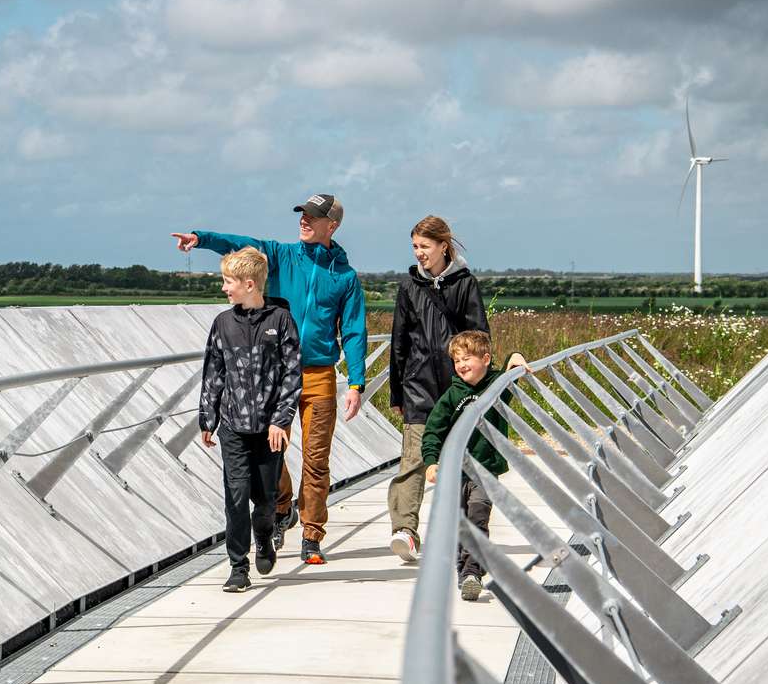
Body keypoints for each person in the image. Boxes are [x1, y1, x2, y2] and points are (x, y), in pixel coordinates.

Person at [174, 192, 367, 566]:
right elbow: (240, 247)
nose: (304, 220)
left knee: (316, 460)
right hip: (274, 375)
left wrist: (356, 382)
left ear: (332, 226)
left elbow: (354, 330)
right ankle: (282, 507)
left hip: (319, 375)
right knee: (269, 452)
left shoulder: (344, 277)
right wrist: (201, 238)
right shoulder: (280, 255)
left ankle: (312, 535)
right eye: (302, 214)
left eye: (312, 216)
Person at [199, 247, 303, 593]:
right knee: (236, 494)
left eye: (228, 281)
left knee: (265, 499)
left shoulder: (281, 321)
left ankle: (264, 535)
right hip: (233, 426)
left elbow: (292, 374)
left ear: (249, 284)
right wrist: (208, 418)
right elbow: (213, 372)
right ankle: (238, 566)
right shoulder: (223, 324)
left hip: (270, 429)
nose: (224, 288)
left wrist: (281, 420)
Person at [387, 215, 488, 563]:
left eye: (425, 246)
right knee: (413, 460)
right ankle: (405, 530)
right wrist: (397, 393)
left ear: (443, 246)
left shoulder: (465, 283)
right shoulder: (409, 285)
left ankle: (457, 530)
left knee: (459, 461)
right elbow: (399, 340)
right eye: (415, 247)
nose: (419, 253)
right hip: (418, 386)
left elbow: (479, 335)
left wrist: (479, 382)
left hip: (458, 388)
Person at [420, 329, 530, 601]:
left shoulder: (497, 388)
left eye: (467, 358)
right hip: (454, 472)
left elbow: (511, 368)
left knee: (478, 520)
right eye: (457, 361)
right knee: (460, 525)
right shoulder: (451, 396)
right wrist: (431, 462)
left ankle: (472, 573)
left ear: (486, 359)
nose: (461, 365)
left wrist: (516, 355)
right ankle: (464, 569)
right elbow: (433, 431)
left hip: (485, 470)